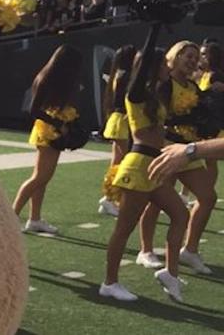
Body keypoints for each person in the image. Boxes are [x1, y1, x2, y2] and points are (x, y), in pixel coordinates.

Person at [101, 22, 188, 303]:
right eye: (162, 62)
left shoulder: (154, 94)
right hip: (138, 166)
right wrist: (155, 28)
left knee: (180, 215)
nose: (167, 65)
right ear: (150, 65)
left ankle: (170, 274)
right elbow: (140, 73)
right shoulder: (135, 93)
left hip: (153, 166)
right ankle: (110, 283)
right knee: (124, 228)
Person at [136, 41, 221, 275]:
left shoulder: (193, 85)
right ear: (176, 56)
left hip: (187, 149)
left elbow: (202, 113)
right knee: (157, 202)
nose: (192, 60)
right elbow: (157, 116)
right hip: (166, 148)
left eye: (196, 57)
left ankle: (190, 250)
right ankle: (146, 250)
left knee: (208, 196)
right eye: (188, 56)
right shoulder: (165, 85)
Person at [14, 46, 84, 234]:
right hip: (47, 131)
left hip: (53, 130)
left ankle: (34, 219)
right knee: (40, 177)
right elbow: (33, 110)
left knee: (42, 178)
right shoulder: (46, 78)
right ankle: (12, 216)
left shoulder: (59, 79)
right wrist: (58, 122)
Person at [99, 45, 137, 217]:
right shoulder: (125, 76)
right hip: (122, 120)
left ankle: (110, 198)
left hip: (117, 119)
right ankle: (109, 198)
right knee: (119, 162)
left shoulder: (118, 75)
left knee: (117, 160)